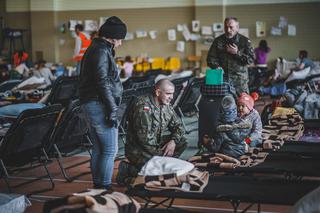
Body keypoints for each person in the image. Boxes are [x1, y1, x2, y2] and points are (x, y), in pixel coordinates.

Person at [79, 16, 127, 190]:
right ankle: (105, 189)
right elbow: (101, 81)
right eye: (120, 39)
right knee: (110, 150)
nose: (121, 43)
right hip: (99, 104)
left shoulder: (98, 47)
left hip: (93, 104)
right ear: (112, 37)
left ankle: (98, 187)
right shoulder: (100, 50)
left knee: (99, 148)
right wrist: (112, 108)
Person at [119, 79, 187, 184]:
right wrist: (162, 159)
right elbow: (145, 140)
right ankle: (128, 170)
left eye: (172, 94)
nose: (172, 97)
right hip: (139, 150)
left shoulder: (166, 105)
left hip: (154, 145)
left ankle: (155, 168)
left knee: (181, 141)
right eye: (168, 94)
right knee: (163, 172)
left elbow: (179, 126)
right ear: (158, 92)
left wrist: (173, 141)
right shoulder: (143, 106)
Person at [207, 17, 254, 95]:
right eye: (226, 27)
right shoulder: (218, 41)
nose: (228, 30)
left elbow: (250, 60)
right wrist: (216, 66)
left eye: (231, 27)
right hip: (223, 80)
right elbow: (210, 58)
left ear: (237, 28)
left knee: (243, 105)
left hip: (240, 82)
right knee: (224, 105)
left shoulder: (245, 41)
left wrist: (236, 53)